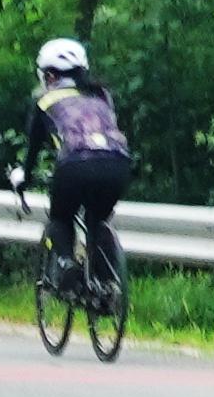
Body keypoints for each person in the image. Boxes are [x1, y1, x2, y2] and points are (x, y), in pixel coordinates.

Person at [14, 36, 134, 290]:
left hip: (75, 165)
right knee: (97, 219)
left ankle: (67, 265)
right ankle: (106, 286)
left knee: (60, 218)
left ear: (49, 76)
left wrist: (23, 178)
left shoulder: (46, 101)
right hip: (118, 164)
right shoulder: (101, 96)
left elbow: (33, 149)